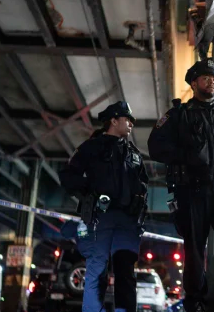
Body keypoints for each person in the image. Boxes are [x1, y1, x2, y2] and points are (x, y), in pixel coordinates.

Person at [147, 59, 214, 312]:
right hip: (192, 190)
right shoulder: (178, 115)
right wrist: (186, 156)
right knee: (195, 254)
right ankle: (196, 306)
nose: (211, 82)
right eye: (206, 78)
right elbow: (155, 146)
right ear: (194, 83)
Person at [59, 101, 149, 312]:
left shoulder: (134, 154)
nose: (131, 124)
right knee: (97, 270)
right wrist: (89, 192)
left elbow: (143, 184)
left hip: (127, 221)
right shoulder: (92, 147)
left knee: (126, 272)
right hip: (101, 217)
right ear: (114, 120)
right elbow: (68, 175)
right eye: (127, 119)